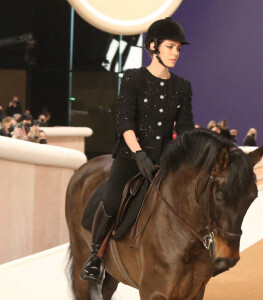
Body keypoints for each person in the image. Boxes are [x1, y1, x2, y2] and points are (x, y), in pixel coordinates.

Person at [80, 17, 194, 283]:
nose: (175, 53)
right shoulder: (133, 78)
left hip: (165, 161)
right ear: (153, 47)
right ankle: (95, 255)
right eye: (170, 47)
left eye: (178, 48)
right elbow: (124, 121)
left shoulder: (182, 86)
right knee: (110, 201)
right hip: (131, 156)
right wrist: (139, 154)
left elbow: (185, 128)